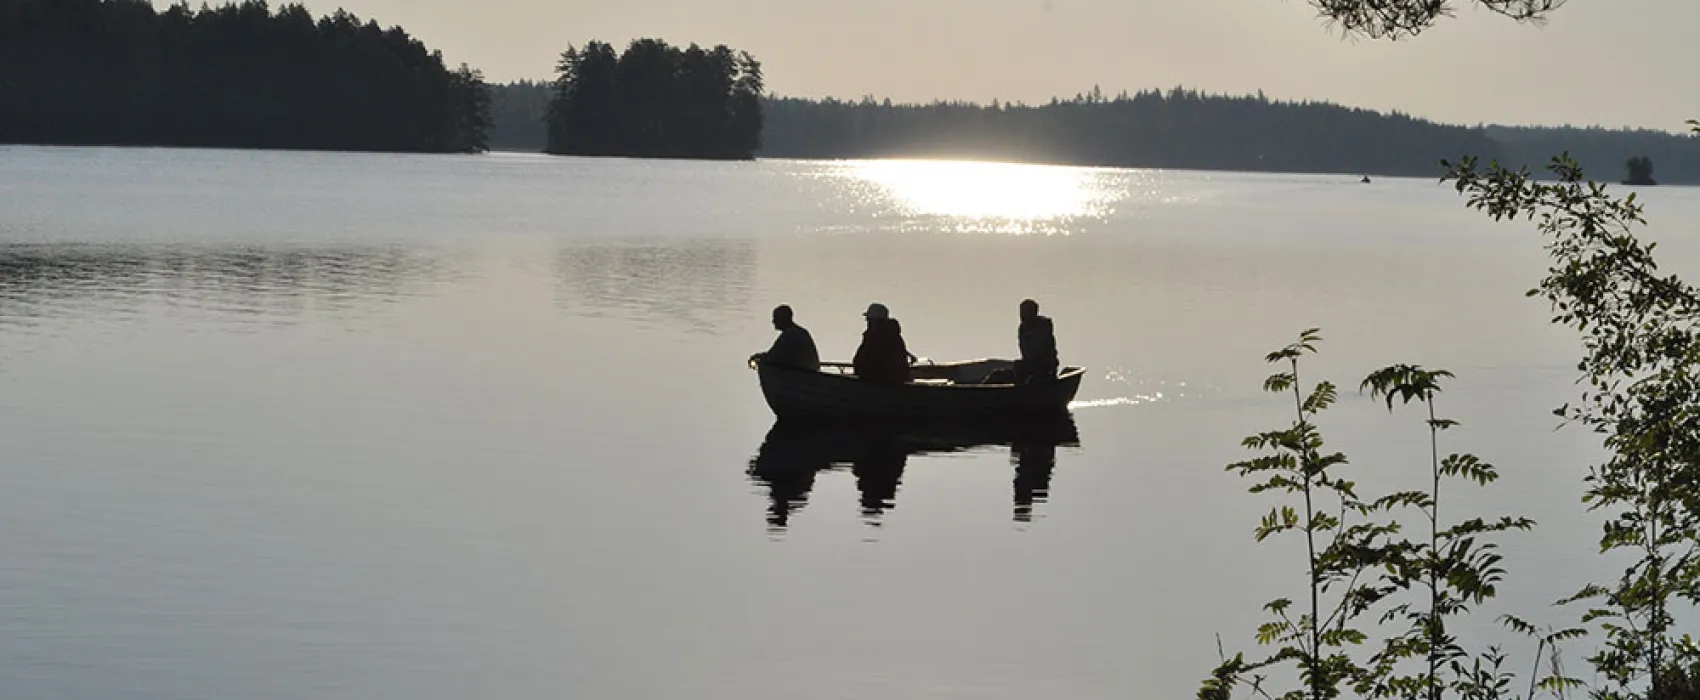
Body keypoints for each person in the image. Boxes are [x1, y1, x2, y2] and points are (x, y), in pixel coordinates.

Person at [852, 302, 911, 385]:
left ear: (876, 321)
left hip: (881, 383)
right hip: (879, 383)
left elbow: (873, 362)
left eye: (869, 319)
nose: (867, 322)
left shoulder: (878, 338)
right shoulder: (889, 336)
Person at [750, 304, 820, 372]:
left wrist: (759, 358)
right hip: (810, 371)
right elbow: (775, 355)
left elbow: (773, 357)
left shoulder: (789, 335)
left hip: (802, 373)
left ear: (783, 319)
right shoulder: (800, 331)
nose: (773, 321)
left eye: (776, 318)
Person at [1014, 298, 1059, 384]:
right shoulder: (1023, 328)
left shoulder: (1043, 326)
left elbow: (1040, 352)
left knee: (1031, 380)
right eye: (1021, 312)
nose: (1022, 315)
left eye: (1025, 312)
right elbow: (1025, 353)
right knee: (999, 374)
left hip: (1045, 368)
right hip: (1030, 366)